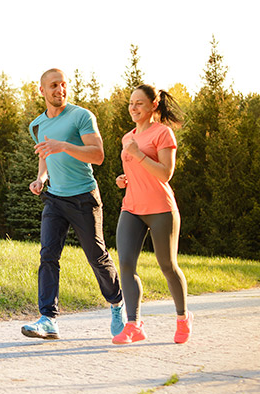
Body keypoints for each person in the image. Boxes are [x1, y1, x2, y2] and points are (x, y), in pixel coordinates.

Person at [21, 68, 126, 339]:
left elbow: (98, 155)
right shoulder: (37, 124)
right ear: (42, 90)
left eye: (64, 84)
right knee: (48, 255)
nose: (60, 90)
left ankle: (117, 303)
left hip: (83, 197)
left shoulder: (81, 116)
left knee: (96, 256)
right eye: (54, 85)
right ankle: (48, 319)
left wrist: (64, 145)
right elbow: (45, 155)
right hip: (55, 197)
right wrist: (40, 178)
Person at [112, 84, 193, 345]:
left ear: (153, 106)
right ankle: (133, 324)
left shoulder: (163, 133)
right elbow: (136, 169)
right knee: (125, 263)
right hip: (132, 207)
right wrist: (124, 178)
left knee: (167, 265)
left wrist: (138, 155)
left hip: (160, 209)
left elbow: (165, 173)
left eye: (139, 103)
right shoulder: (128, 137)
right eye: (131, 103)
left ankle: (182, 317)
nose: (133, 108)